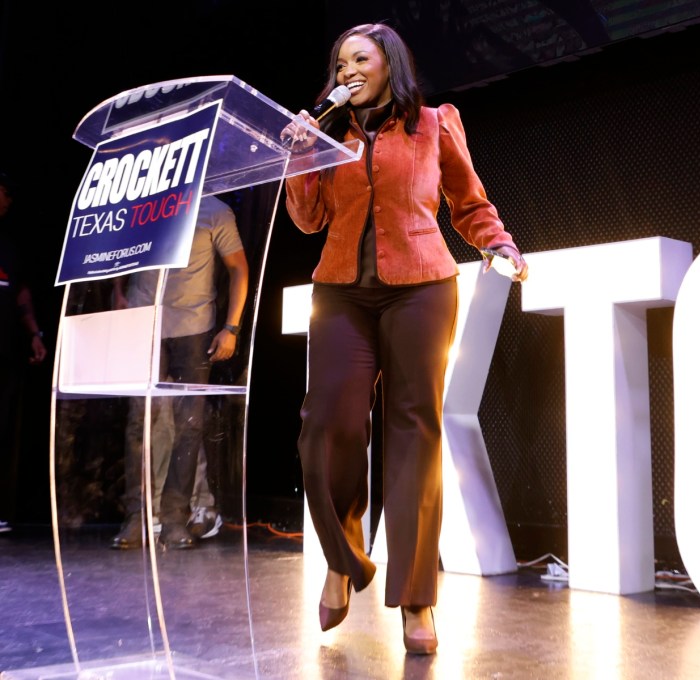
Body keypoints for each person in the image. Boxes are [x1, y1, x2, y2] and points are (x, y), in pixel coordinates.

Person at [282, 23, 528, 655]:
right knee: (326, 421)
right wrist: (301, 155)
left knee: (414, 433)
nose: (347, 71)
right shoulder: (326, 132)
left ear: (389, 63)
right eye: (338, 63)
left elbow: (467, 202)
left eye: (358, 59)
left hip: (421, 285)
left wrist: (496, 243)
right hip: (340, 289)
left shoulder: (435, 123)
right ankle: (345, 559)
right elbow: (309, 220)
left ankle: (417, 600)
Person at [110, 194, 248, 550]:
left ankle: (174, 517)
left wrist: (230, 328)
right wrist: (118, 293)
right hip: (147, 324)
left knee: (189, 426)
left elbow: (238, 268)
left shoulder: (214, 210)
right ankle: (136, 517)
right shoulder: (145, 206)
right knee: (139, 423)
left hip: (193, 328)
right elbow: (119, 257)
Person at [0, 171, 47, 533]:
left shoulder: (9, 246)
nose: (7, 200)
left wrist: (35, 334)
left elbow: (21, 294)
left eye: (9, 194)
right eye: (3, 192)